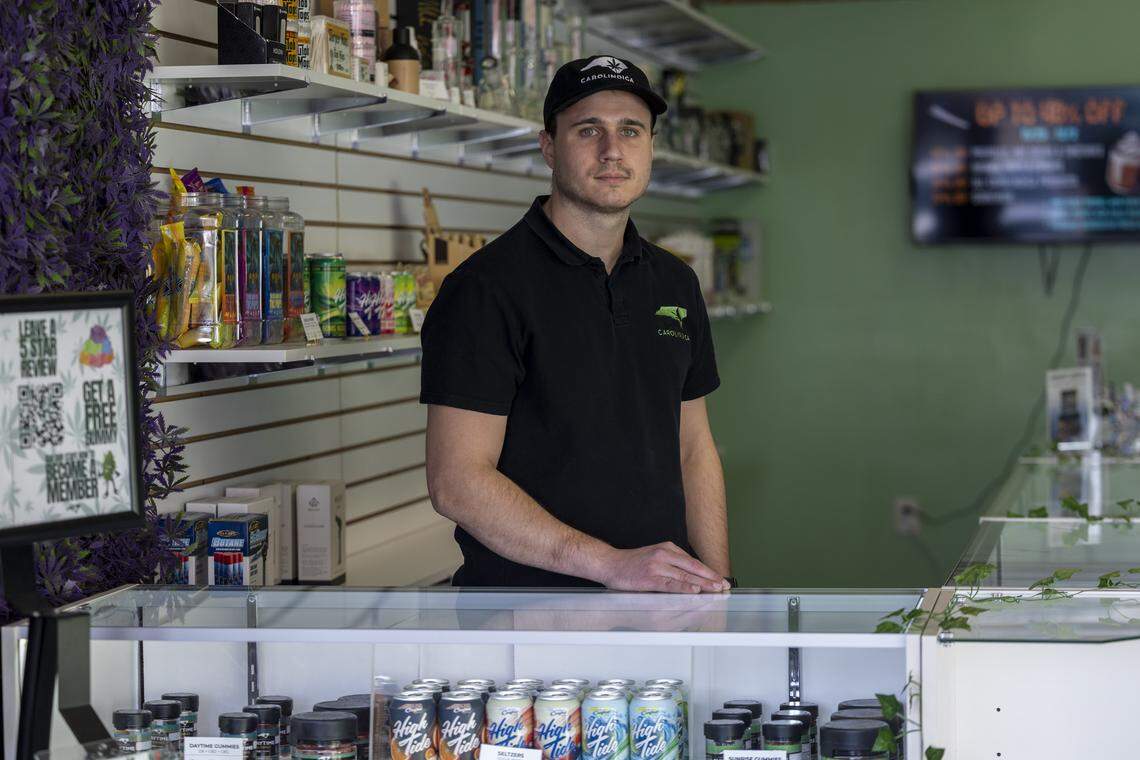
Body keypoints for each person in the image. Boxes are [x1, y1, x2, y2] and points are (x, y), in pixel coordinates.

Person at [420, 54, 732, 593]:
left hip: (659, 605)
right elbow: (457, 481)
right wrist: (611, 565)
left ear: (650, 147)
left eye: (630, 130)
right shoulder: (485, 289)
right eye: (589, 130)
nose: (612, 150)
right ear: (548, 147)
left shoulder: (675, 283)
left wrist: (720, 588)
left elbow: (694, 449)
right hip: (524, 615)